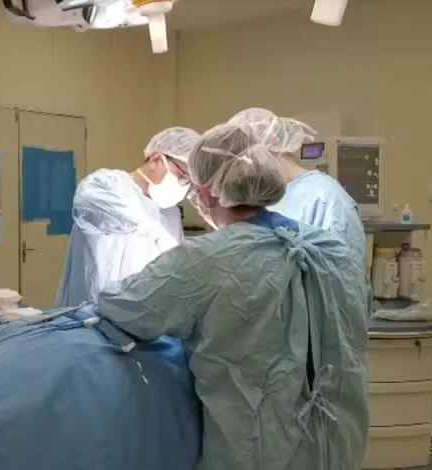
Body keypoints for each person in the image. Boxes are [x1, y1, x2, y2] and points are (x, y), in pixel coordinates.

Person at [95, 123, 369, 469]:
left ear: (206, 192)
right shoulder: (331, 251)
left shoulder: (207, 259)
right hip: (339, 446)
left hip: (262, 454)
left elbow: (125, 306)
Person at [55, 127, 201, 307]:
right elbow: (88, 207)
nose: (184, 186)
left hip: (142, 314)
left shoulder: (170, 213)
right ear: (156, 159)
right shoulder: (107, 184)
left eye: (189, 182)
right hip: (91, 310)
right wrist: (151, 228)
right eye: (182, 176)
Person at [228, 107, 366, 262]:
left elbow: (345, 270)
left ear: (273, 140)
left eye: (247, 155)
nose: (245, 166)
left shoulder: (326, 198)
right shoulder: (261, 199)